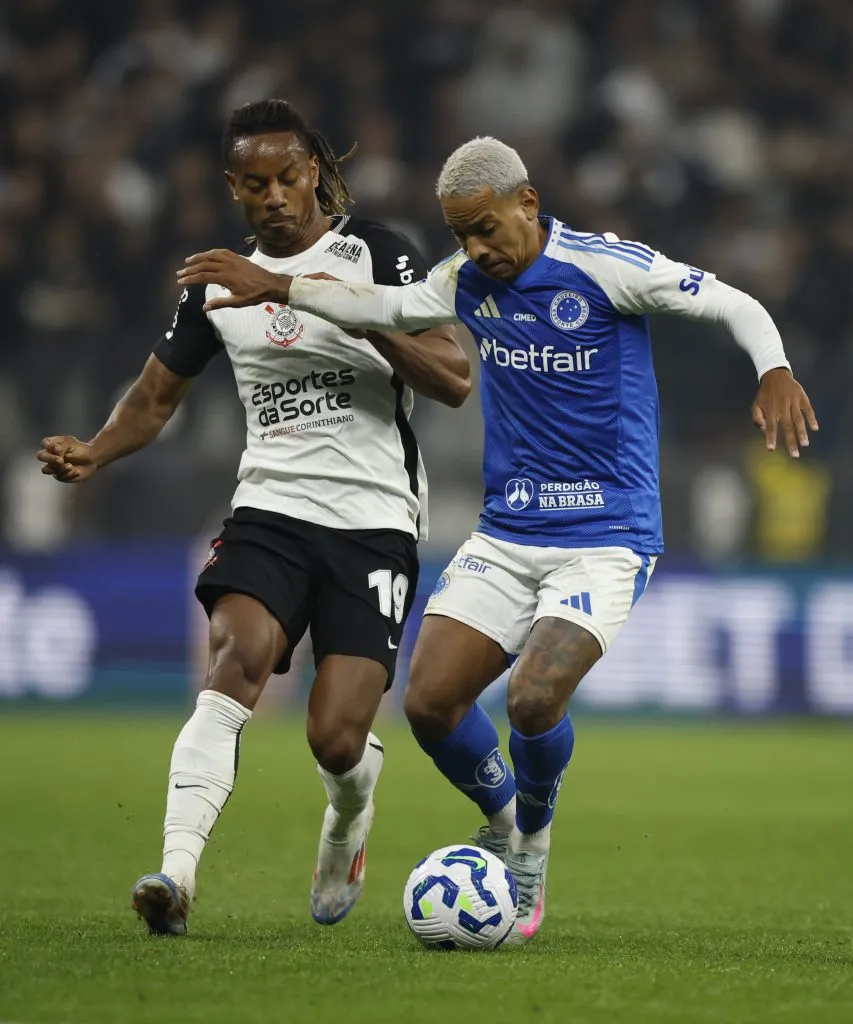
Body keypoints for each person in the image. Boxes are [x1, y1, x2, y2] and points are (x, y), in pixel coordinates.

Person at [174, 136, 817, 946]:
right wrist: (278, 285)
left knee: (532, 697)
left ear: (527, 204)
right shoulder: (464, 279)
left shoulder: (603, 267)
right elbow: (382, 310)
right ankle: (505, 817)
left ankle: (531, 850)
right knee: (428, 704)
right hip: (508, 533)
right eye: (461, 235)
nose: (477, 249)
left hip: (605, 535)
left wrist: (773, 367)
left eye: (485, 228)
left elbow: (730, 302)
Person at [36, 100, 469, 936]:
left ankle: (348, 818)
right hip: (269, 509)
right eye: (254, 183)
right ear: (232, 187)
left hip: (374, 519)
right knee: (234, 660)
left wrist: (335, 303)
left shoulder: (376, 252)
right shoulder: (218, 283)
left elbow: (451, 377)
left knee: (336, 738)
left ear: (314, 173)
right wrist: (94, 450)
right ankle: (175, 874)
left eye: (287, 177)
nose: (274, 196)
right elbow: (155, 396)